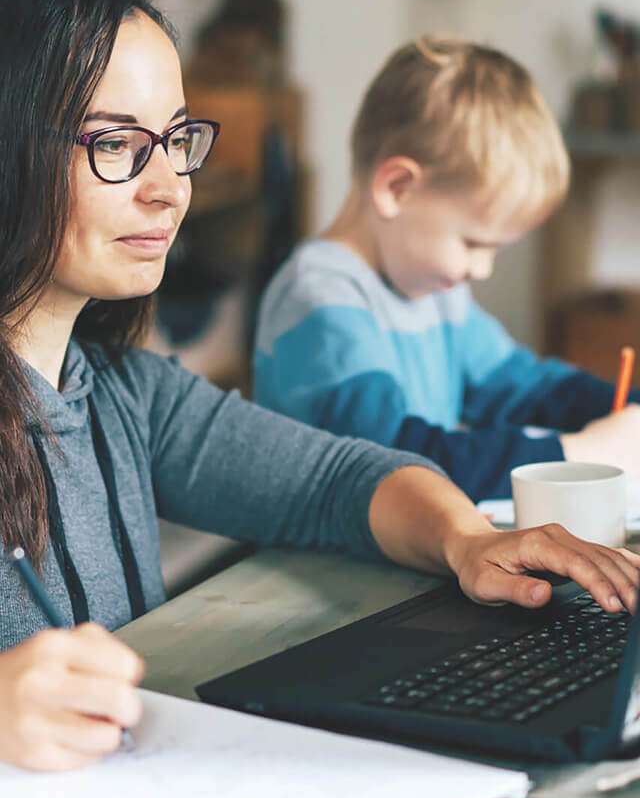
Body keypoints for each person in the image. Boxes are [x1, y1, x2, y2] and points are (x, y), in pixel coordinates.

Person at [0, 0, 638, 774]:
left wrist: (466, 541)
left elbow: (334, 479)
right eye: (119, 143)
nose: (171, 188)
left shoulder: (128, 396)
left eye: (176, 139)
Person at [254, 37, 640, 502]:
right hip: (310, 565)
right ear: (397, 188)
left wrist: (623, 413)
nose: (483, 269)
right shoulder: (319, 299)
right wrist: (574, 453)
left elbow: (520, 385)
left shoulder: (434, 289)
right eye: (474, 242)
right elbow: (398, 461)